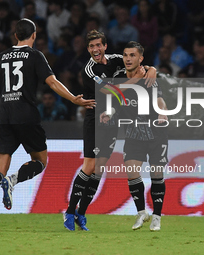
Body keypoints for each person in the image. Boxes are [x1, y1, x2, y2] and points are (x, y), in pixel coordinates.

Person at [0, 18, 95, 233]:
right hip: (26, 115)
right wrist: (73, 99)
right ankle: (13, 181)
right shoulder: (35, 55)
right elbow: (52, 82)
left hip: (3, 116)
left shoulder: (2, 56)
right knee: (40, 161)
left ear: (15, 36)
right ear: (34, 35)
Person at [63, 30, 157, 231]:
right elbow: (110, 91)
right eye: (91, 46)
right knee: (89, 166)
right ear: (88, 49)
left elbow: (139, 65)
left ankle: (82, 214)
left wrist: (151, 69)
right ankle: (69, 212)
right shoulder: (88, 71)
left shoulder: (116, 60)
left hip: (112, 120)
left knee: (99, 169)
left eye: (98, 45)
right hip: (95, 119)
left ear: (105, 46)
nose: (95, 49)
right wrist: (135, 81)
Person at [108, 41, 168, 231]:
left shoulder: (150, 77)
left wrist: (162, 112)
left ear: (140, 58)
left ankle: (157, 216)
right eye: (125, 55)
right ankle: (141, 213)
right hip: (133, 133)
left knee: (156, 174)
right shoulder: (118, 76)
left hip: (155, 132)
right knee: (132, 172)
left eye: (132, 55)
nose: (128, 59)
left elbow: (159, 98)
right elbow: (112, 93)